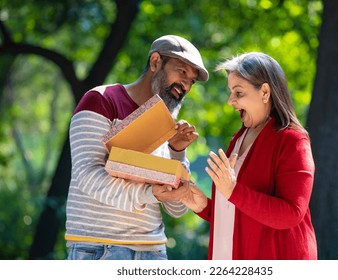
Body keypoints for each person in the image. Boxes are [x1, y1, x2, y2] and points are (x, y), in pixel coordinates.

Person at [64, 35, 209, 260]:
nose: (186, 86)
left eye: (191, 81)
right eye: (181, 72)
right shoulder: (101, 101)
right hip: (100, 250)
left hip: (154, 252)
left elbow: (178, 209)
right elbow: (88, 175)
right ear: (155, 62)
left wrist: (177, 153)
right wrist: (148, 193)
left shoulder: (167, 126)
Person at [177, 52, 317, 260]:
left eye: (238, 93)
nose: (230, 101)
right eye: (231, 92)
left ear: (265, 92)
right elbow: (239, 211)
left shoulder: (293, 141)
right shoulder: (239, 138)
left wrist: (233, 190)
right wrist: (203, 205)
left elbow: (291, 213)